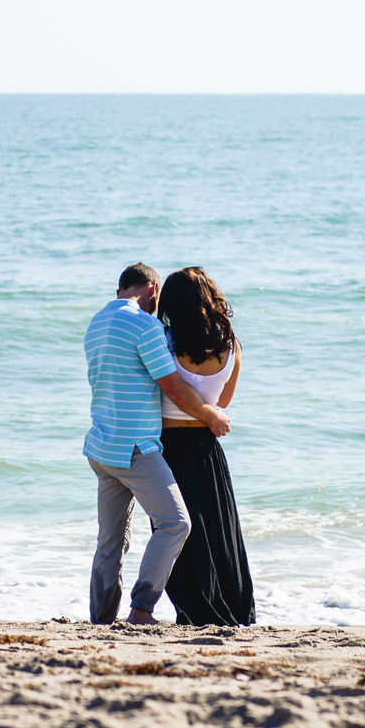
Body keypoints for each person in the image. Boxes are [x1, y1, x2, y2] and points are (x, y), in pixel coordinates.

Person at [84, 262, 232, 625]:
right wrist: (212, 416)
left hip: (101, 446)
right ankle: (141, 609)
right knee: (176, 524)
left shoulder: (96, 324)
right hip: (135, 447)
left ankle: (102, 619)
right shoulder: (143, 324)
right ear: (153, 290)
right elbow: (174, 387)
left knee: (110, 542)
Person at [157, 267, 256, 626]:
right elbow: (223, 402)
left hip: (169, 445)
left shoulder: (163, 340)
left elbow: (166, 389)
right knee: (218, 530)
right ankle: (231, 608)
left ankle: (193, 608)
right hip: (207, 445)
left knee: (179, 528)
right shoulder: (231, 344)